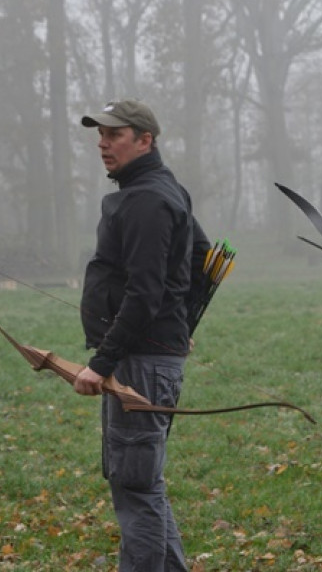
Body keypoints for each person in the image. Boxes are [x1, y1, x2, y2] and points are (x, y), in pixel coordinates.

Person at [76, 99, 207, 572]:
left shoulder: (148, 198)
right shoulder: (158, 189)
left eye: (114, 135)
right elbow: (202, 257)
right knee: (141, 484)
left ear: (145, 140)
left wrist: (102, 363)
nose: (103, 143)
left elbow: (145, 291)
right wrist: (181, 326)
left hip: (139, 361)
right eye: (101, 135)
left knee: (136, 487)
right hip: (151, 355)